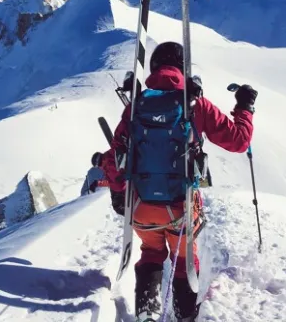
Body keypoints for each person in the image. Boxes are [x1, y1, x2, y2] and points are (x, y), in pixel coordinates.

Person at [93, 41, 257, 321]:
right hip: (182, 209)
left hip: (143, 208)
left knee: (150, 253)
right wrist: (245, 106)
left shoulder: (136, 106)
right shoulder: (194, 104)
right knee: (183, 262)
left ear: (154, 68)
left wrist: (119, 195)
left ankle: (147, 311)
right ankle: (184, 316)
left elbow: (115, 157)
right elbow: (239, 141)